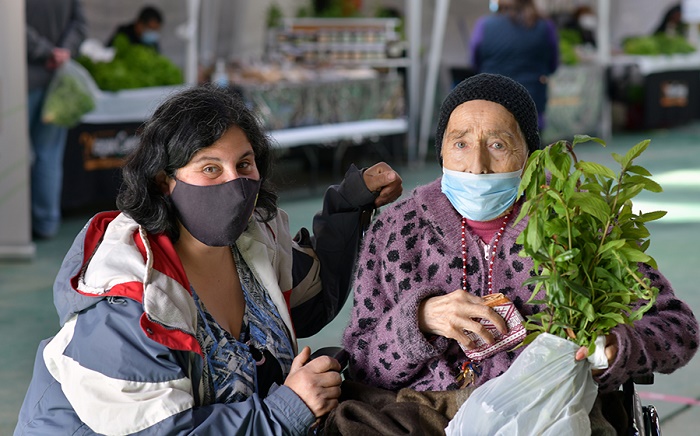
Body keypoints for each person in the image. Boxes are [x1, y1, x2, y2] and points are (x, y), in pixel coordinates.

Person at [14, 84, 402, 435]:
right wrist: (288, 410)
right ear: (164, 181)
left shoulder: (254, 242)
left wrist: (351, 204)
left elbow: (316, 296)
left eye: (244, 165)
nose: (234, 183)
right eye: (210, 168)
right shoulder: (125, 299)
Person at [342, 73, 698, 421]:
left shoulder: (578, 223)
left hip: (550, 411)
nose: (478, 166)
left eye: (498, 145)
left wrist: (614, 348)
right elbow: (361, 364)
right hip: (424, 414)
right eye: (460, 143)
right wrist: (419, 319)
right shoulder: (397, 230)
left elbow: (676, 328)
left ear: (530, 154)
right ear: (442, 150)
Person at [25, 0, 87, 239]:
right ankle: (46, 222)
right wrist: (63, 53)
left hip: (24, 78)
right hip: (58, 81)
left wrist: (46, 52)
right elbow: (80, 25)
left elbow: (11, 27)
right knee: (48, 153)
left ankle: (19, 223)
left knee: (16, 152)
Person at [469, 0, 559, 132]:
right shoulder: (545, 26)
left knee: (495, 143)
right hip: (532, 97)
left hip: (492, 96)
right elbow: (553, 64)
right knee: (532, 145)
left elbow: (474, 61)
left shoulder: (484, 25)